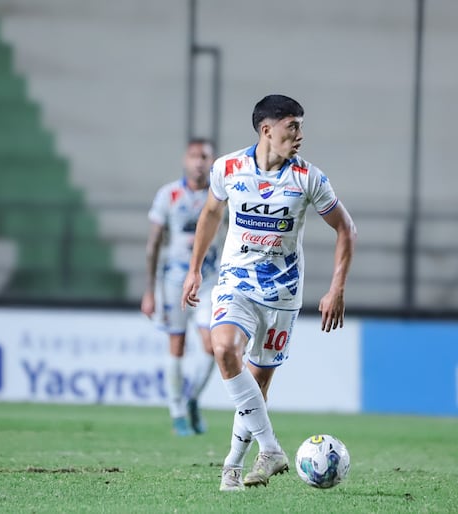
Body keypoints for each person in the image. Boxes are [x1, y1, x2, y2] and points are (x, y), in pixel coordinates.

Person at [181, 95, 357, 491]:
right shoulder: (227, 168)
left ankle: (233, 464)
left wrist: (336, 288)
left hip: (282, 294)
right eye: (292, 127)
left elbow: (346, 229)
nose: (299, 135)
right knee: (224, 348)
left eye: (299, 127)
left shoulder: (309, 178)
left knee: (257, 386)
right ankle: (272, 449)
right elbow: (211, 213)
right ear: (267, 130)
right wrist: (194, 269)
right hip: (236, 282)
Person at [140, 138, 221, 436]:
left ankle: (192, 400)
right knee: (177, 344)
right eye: (193, 156)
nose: (199, 161)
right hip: (175, 280)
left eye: (205, 156)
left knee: (213, 345)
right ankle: (176, 414)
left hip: (209, 280)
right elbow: (153, 245)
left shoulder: (219, 194)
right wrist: (149, 291)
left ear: (213, 161)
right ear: (185, 160)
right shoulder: (169, 195)